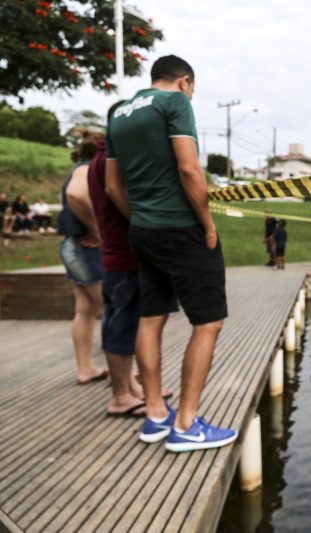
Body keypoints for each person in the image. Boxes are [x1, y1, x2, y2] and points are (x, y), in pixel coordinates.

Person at [105, 55, 236, 452]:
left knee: (151, 319)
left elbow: (113, 188)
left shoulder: (120, 113)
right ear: (184, 82)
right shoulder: (175, 103)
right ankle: (186, 423)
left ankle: (156, 414)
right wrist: (208, 224)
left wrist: (142, 217)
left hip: (143, 232)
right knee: (209, 323)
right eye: (192, 91)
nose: (191, 97)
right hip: (182, 229)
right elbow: (190, 170)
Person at [87, 103, 172, 416]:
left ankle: (134, 387)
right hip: (124, 255)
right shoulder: (113, 160)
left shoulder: (103, 157)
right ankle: (121, 395)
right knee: (122, 326)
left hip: (120, 253)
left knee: (129, 323)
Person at [57, 132, 108, 385]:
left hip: (72, 247)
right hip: (86, 249)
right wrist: (97, 229)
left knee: (84, 310)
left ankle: (85, 368)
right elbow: (77, 194)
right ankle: (124, 374)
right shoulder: (87, 169)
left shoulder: (79, 167)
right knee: (112, 308)